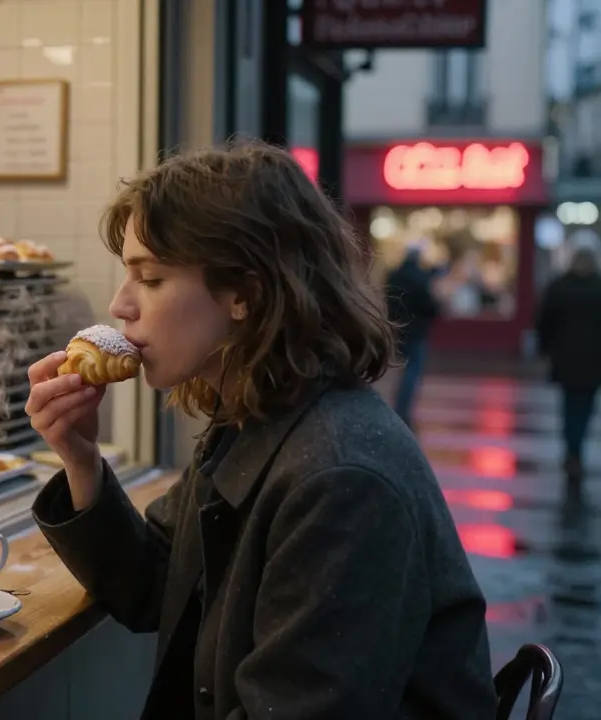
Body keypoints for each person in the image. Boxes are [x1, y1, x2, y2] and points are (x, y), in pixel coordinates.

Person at [25, 142, 496, 719]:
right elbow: (152, 587)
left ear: (244, 293)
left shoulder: (340, 478)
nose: (120, 305)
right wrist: (79, 458)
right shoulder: (256, 419)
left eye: (149, 278)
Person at [537, 246, 601, 481]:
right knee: (584, 407)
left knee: (568, 406)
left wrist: (544, 349)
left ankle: (571, 449)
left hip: (566, 358)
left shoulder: (560, 287)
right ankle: (577, 449)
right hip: (594, 360)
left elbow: (544, 320)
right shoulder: (598, 287)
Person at [384, 241, 440, 430]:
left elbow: (388, 303)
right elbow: (430, 306)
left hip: (398, 329)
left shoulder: (394, 275)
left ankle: (399, 407)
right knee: (412, 371)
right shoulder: (420, 278)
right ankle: (403, 409)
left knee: (403, 369)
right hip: (416, 330)